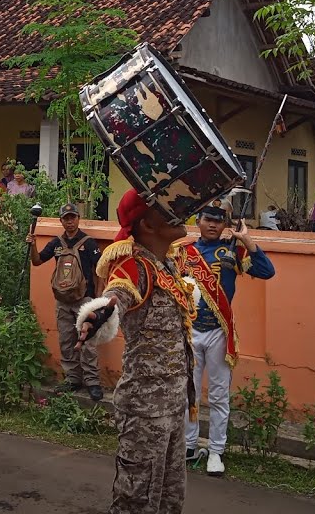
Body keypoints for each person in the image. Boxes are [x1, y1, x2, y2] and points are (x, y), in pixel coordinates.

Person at [76, 189, 196, 514]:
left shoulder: (167, 264)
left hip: (173, 406)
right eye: (165, 209)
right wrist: (99, 314)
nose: (176, 212)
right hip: (145, 412)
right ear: (147, 224)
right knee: (136, 504)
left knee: (170, 502)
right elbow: (117, 295)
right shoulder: (134, 267)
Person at [180, 205, 276, 475]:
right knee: (190, 392)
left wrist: (247, 240)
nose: (213, 225)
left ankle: (216, 451)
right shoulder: (184, 253)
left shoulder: (232, 251)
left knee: (220, 395)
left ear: (225, 225)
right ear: (197, 221)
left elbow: (267, 272)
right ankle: (188, 445)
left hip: (219, 332)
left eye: (218, 221)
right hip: (190, 331)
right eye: (208, 219)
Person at [28, 203, 104, 399]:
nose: (70, 222)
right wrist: (32, 245)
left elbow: (101, 270)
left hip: (85, 300)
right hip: (62, 300)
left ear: (78, 218)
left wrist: (98, 300)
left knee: (87, 342)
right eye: (66, 218)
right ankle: (72, 379)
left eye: (73, 217)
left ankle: (93, 382)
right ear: (61, 221)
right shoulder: (56, 243)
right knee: (66, 341)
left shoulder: (89, 243)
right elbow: (37, 261)